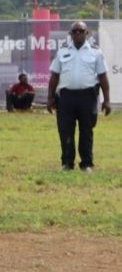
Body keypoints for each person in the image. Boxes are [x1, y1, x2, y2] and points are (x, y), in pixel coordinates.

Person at [47, 21, 111, 171]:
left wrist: (107, 100)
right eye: (74, 31)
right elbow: (54, 76)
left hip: (87, 97)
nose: (77, 34)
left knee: (86, 130)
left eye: (81, 31)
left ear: (87, 33)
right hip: (66, 97)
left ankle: (87, 164)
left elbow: (103, 77)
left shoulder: (96, 52)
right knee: (65, 130)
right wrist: (50, 98)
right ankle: (67, 163)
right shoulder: (62, 51)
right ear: (70, 34)